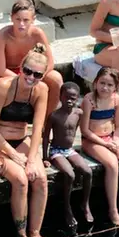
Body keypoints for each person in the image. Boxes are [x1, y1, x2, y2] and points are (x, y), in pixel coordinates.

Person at [0, 44, 50, 237]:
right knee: (20, 179)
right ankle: (21, 235)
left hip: (22, 139)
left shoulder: (42, 90)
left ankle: (35, 233)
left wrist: (30, 159)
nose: (31, 77)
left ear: (43, 76)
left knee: (40, 178)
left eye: (37, 74)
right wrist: (14, 156)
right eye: (27, 71)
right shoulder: (4, 86)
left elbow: (38, 128)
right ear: (20, 68)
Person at [80, 67, 119, 226]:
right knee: (112, 164)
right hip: (93, 140)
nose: (105, 88)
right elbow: (85, 130)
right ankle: (113, 210)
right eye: (102, 83)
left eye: (109, 85)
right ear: (95, 83)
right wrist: (105, 143)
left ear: (116, 87)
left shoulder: (117, 100)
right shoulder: (88, 100)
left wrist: (115, 139)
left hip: (110, 138)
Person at [0, 0, 63, 121]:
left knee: (56, 78)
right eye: (18, 19)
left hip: (29, 71)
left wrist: (36, 77)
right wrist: (25, 80)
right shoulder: (1, 35)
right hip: (6, 72)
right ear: (11, 17)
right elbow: (0, 70)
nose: (21, 24)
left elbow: (49, 63)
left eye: (26, 20)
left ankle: (46, 122)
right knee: (1, 82)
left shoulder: (38, 34)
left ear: (33, 19)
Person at [42, 82, 92, 228]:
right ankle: (67, 208)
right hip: (56, 150)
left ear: (78, 99)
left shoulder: (79, 113)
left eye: (73, 98)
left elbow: (75, 130)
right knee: (70, 174)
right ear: (60, 97)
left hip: (69, 150)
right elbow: (45, 137)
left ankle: (85, 203)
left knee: (87, 171)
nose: (69, 101)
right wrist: (45, 157)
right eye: (66, 97)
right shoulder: (54, 116)